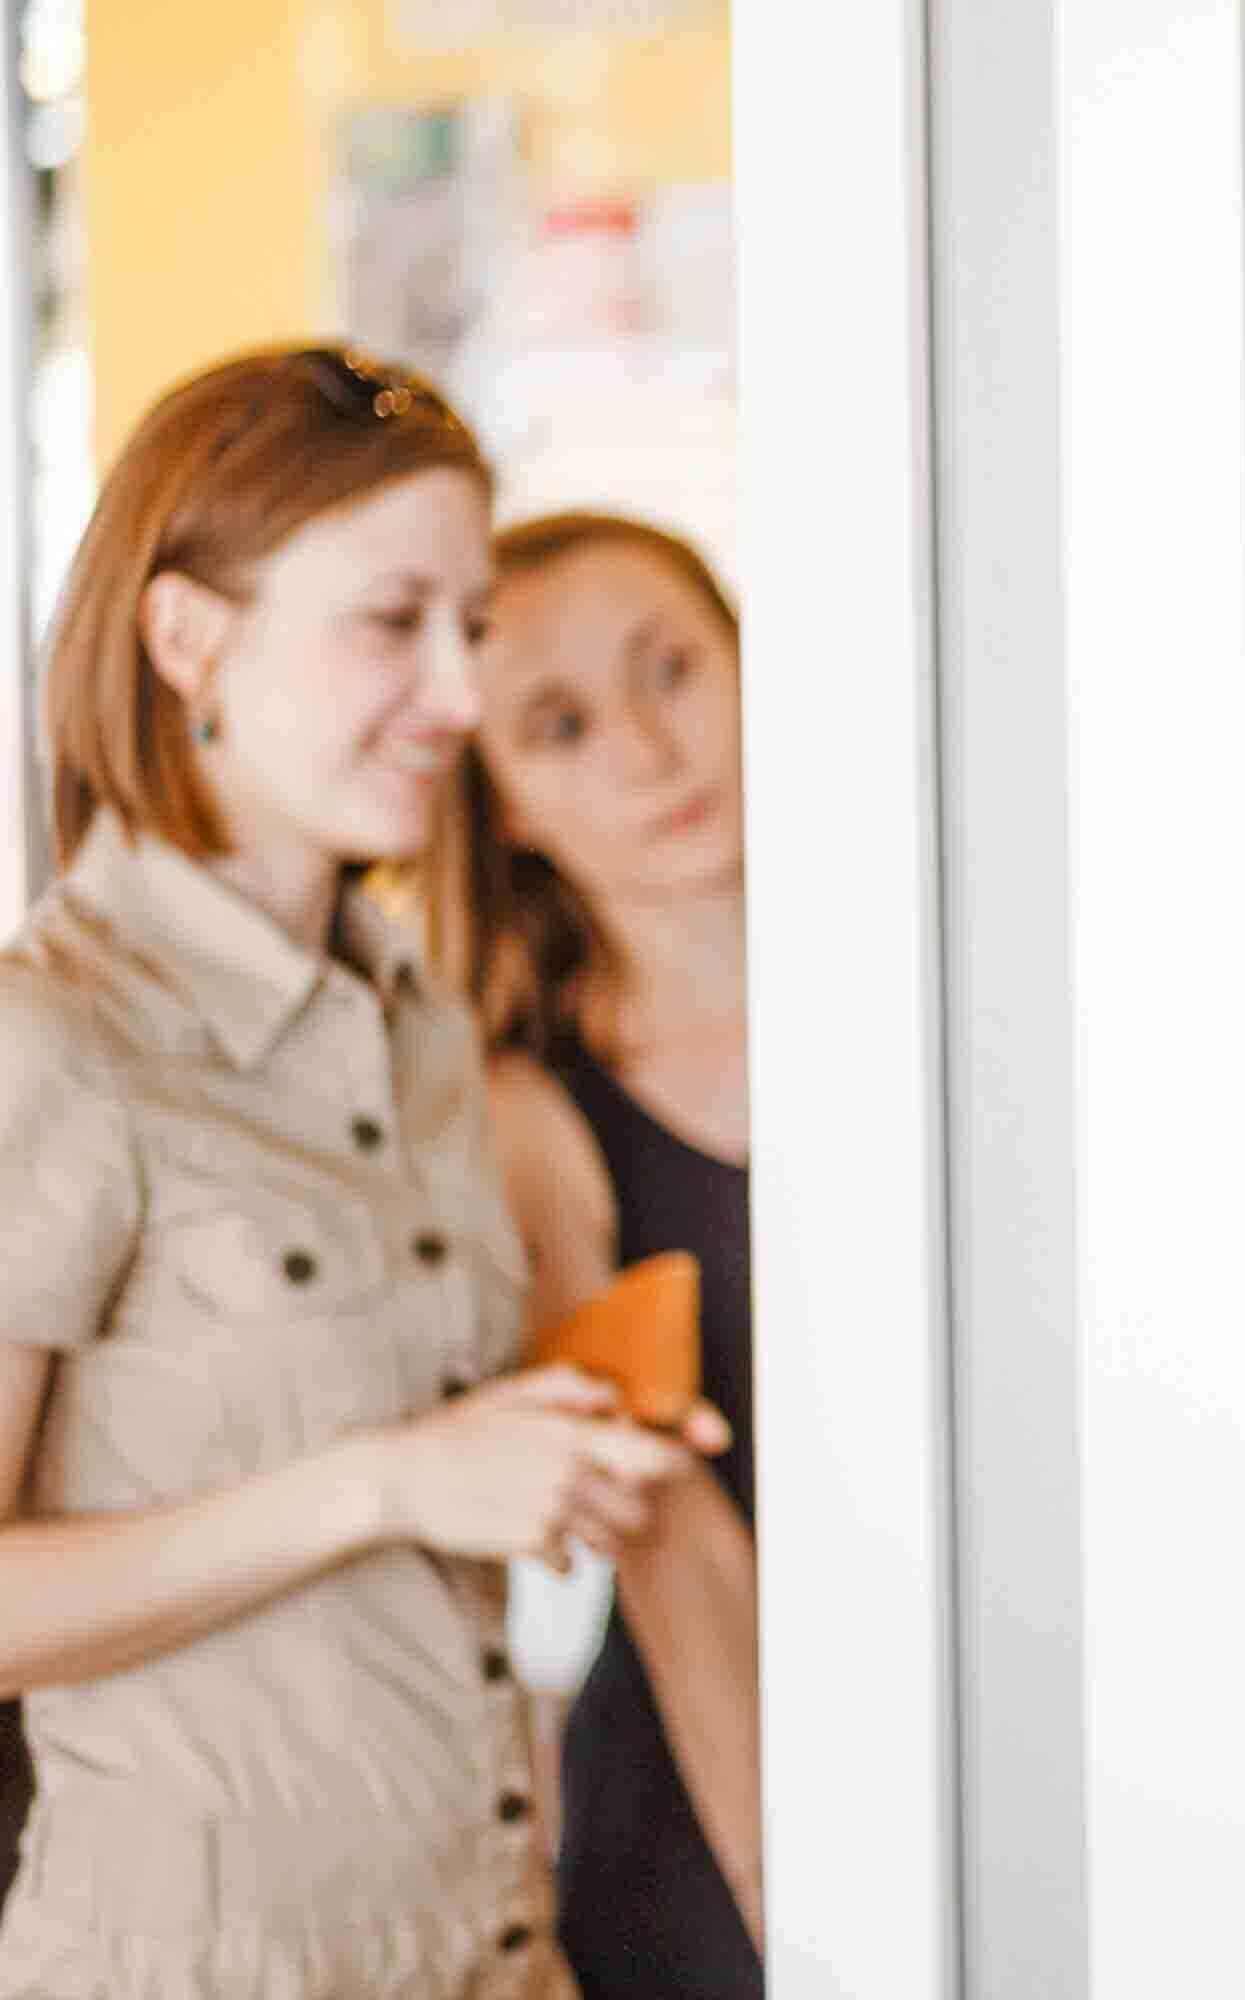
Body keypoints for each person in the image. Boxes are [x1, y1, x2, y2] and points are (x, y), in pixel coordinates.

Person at [0, 347, 719, 1997]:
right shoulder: (52, 1044)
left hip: (494, 1953)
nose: (459, 698)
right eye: (393, 623)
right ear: (191, 639)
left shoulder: (424, 1032)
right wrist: (387, 1484)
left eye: (467, 626)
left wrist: (558, 1441)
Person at [426, 512, 762, 1999]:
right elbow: (673, 1552)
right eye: (560, 728)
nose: (647, 750)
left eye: (672, 671)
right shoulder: (530, 1118)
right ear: (499, 805)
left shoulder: (988, 981)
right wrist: (825, 1921)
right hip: (733, 1826)